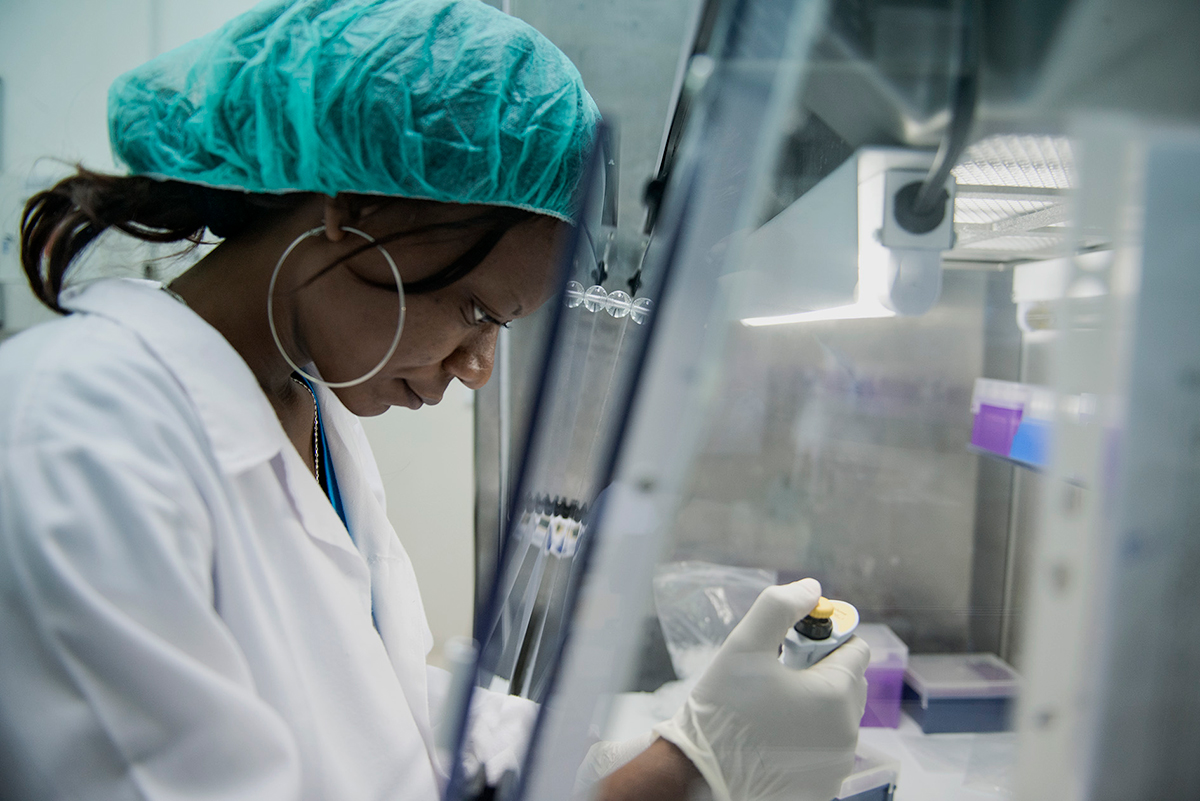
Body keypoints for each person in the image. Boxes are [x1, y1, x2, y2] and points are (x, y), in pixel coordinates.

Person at [0, 1, 868, 799]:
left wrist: (609, 750)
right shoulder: (78, 436)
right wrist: (684, 771)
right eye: (477, 311)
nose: (479, 367)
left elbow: (386, 721)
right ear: (358, 210)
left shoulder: (310, 407)